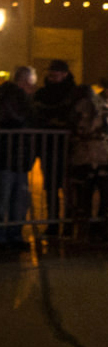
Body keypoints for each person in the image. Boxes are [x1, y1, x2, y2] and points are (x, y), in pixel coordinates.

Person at [69, 72, 108, 242]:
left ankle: (104, 232)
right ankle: (86, 233)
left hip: (106, 158)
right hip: (89, 157)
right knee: (86, 197)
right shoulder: (91, 105)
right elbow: (84, 129)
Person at [32, 59, 77, 237]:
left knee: (68, 187)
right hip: (49, 146)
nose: (52, 75)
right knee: (50, 186)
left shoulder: (73, 93)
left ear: (64, 74)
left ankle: (66, 224)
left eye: (55, 72)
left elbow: (71, 116)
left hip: (67, 147)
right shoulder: (42, 93)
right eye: (50, 72)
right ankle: (52, 223)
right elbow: (37, 114)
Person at [0, 66, 37, 252]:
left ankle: (13, 235)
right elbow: (18, 119)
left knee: (17, 199)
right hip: (9, 155)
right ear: (25, 81)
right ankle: (9, 236)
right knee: (7, 198)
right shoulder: (11, 96)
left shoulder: (14, 96)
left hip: (17, 157)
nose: (33, 86)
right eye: (32, 82)